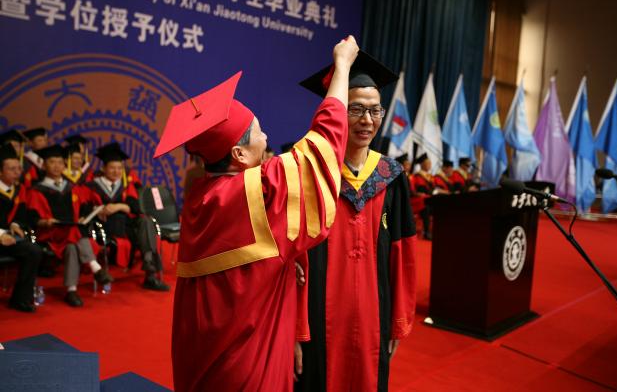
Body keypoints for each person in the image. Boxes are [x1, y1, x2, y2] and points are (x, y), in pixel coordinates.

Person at [154, 37, 359, 391]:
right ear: (238, 154)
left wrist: (279, 272)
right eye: (259, 131)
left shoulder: (201, 195)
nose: (266, 138)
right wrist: (342, 66)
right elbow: (323, 146)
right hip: (246, 359)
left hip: (201, 350)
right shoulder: (259, 193)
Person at [296, 52, 417, 392]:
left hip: (372, 319)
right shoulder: (311, 174)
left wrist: (398, 320)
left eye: (375, 110)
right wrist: (295, 328)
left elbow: (403, 254)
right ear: (337, 113)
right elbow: (293, 259)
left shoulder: (391, 177)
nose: (367, 120)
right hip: (317, 319)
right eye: (356, 109)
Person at [26, 144, 112, 307]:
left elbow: (84, 207)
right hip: (50, 233)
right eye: (52, 162)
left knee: (72, 246)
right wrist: (44, 222)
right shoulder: (37, 190)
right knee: (74, 231)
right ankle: (95, 267)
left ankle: (71, 290)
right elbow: (32, 218)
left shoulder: (71, 187)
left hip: (70, 235)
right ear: (43, 165)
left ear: (65, 165)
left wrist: (85, 215)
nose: (57, 166)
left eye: (60, 162)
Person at [85, 143, 169, 291]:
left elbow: (136, 208)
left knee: (145, 220)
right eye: (112, 168)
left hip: (126, 226)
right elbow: (84, 208)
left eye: (119, 168)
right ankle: (149, 271)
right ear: (103, 169)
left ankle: (149, 268)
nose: (116, 171)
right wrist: (99, 209)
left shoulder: (125, 186)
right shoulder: (92, 186)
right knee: (143, 230)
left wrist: (119, 206)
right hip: (106, 227)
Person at [0, 144, 43, 312]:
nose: (17, 172)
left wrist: (15, 224)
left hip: (9, 238)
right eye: (12, 169)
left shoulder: (19, 190)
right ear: (0, 172)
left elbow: (21, 215)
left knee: (33, 251)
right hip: (1, 237)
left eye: (19, 168)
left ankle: (21, 299)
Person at [410, 153, 435, 240]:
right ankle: (427, 232)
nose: (429, 165)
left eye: (430, 163)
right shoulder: (416, 176)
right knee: (426, 208)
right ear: (421, 164)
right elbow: (415, 191)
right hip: (419, 201)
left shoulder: (430, 177)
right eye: (427, 163)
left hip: (429, 200)